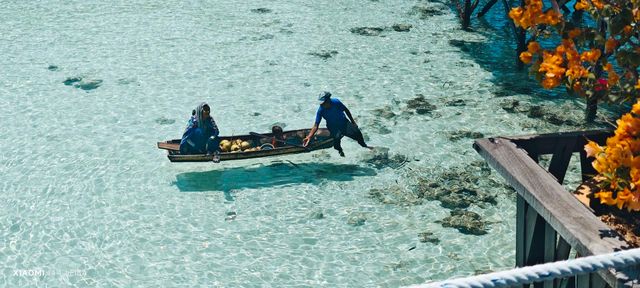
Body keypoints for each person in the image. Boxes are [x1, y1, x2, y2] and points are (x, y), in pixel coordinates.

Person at [302, 91, 373, 157]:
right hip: (332, 126)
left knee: (357, 132)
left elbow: (346, 110)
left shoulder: (336, 102)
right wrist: (309, 137)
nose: (322, 105)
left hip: (344, 123)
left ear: (328, 100)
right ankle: (340, 150)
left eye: (323, 103)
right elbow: (316, 125)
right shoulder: (321, 110)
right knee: (337, 137)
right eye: (321, 103)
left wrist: (353, 122)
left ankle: (364, 145)